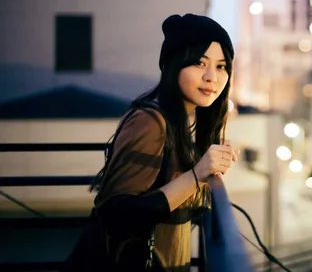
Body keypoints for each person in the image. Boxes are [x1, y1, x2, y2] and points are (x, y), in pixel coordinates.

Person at [75, 14, 239, 271]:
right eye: (199, 62)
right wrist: (197, 174)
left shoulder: (181, 123)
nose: (212, 77)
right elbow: (115, 213)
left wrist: (207, 171)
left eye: (221, 66)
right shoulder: (150, 121)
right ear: (174, 64)